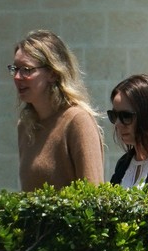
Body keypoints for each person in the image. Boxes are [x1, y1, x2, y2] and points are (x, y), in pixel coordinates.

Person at [11, 30, 104, 192]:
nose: (17, 77)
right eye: (15, 69)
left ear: (53, 73)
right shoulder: (26, 126)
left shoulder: (77, 121)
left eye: (26, 69)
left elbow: (94, 197)